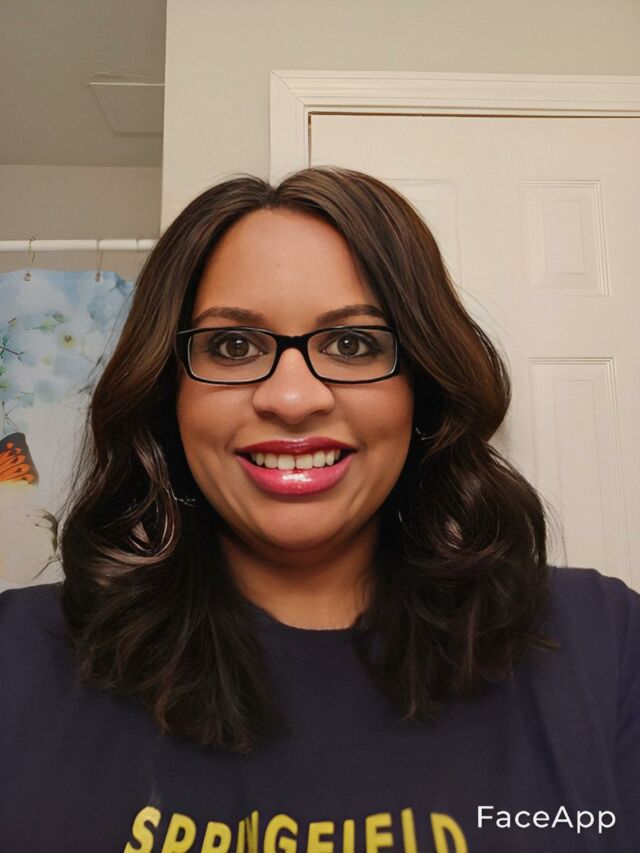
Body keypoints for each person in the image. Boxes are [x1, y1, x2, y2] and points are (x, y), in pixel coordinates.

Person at [0, 165, 638, 853]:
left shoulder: (604, 646)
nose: (293, 398)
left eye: (353, 344)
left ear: (422, 387)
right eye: (233, 346)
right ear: (167, 393)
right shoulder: (17, 657)